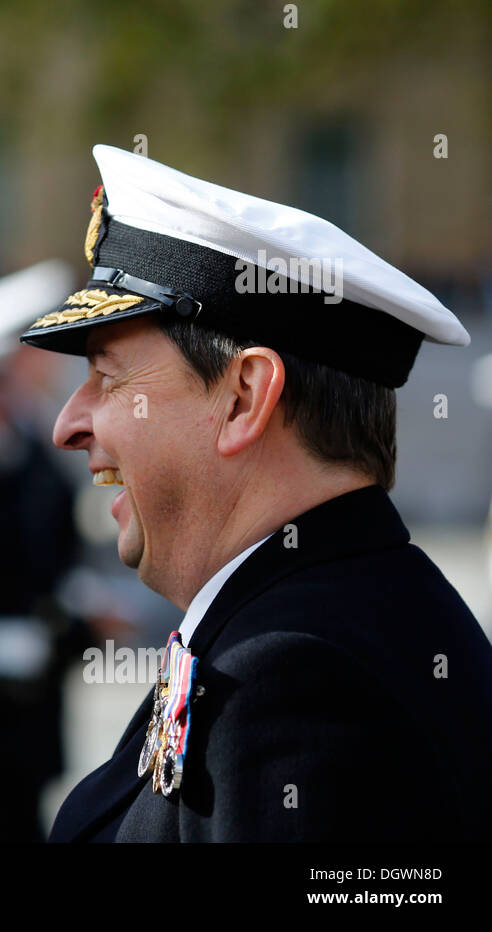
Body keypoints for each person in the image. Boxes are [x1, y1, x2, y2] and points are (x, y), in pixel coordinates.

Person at [28, 144, 492, 842]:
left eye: (110, 378)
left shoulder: (292, 675)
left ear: (245, 397)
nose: (70, 424)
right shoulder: (309, 623)